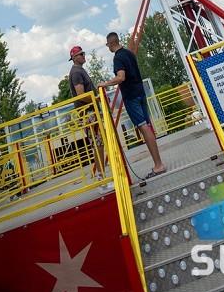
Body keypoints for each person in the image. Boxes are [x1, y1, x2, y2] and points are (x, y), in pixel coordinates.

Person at [99, 32, 167, 178]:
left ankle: (158, 165)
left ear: (110, 43)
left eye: (107, 45)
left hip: (131, 97)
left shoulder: (118, 58)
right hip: (140, 93)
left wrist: (105, 84)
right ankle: (158, 163)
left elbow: (121, 77)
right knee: (146, 127)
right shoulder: (129, 54)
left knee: (143, 128)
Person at [67, 45, 112, 193]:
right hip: (88, 113)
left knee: (99, 144)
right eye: (81, 54)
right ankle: (101, 180)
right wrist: (97, 99)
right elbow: (81, 95)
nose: (84, 55)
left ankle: (102, 177)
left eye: (84, 53)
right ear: (74, 57)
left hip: (91, 112)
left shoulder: (80, 70)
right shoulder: (76, 73)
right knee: (98, 144)